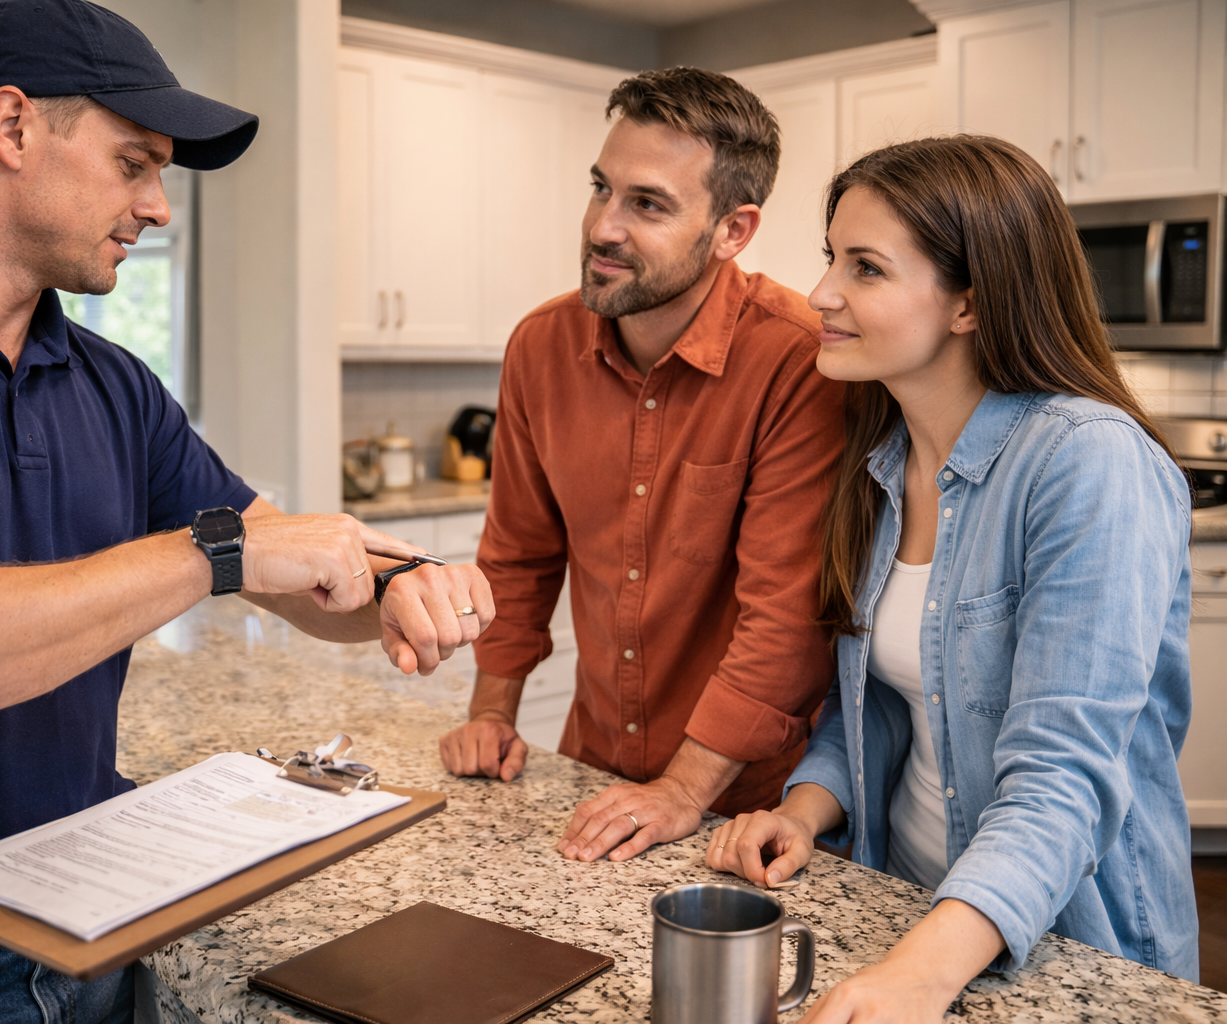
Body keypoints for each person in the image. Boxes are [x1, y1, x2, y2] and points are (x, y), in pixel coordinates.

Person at [0, 2, 492, 1021]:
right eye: (133, 163)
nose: (158, 206)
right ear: (14, 127)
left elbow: (290, 571)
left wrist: (399, 585)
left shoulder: (114, 385)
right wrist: (213, 553)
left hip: (97, 932)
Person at [708, 134, 1200, 1019]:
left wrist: (921, 974)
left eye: (866, 268)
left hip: (1060, 948)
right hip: (905, 908)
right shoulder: (881, 463)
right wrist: (809, 809)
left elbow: (1064, 779)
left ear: (970, 304)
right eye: (832, 258)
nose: (820, 293)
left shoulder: (1088, 464)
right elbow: (884, 702)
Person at [438, 67, 846, 864]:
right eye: (601, 188)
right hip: (596, 772)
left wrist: (684, 792)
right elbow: (519, 557)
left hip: (750, 812)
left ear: (733, 230)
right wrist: (492, 713)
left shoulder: (797, 360)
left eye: (647, 204)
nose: (602, 227)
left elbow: (789, 618)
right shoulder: (539, 348)